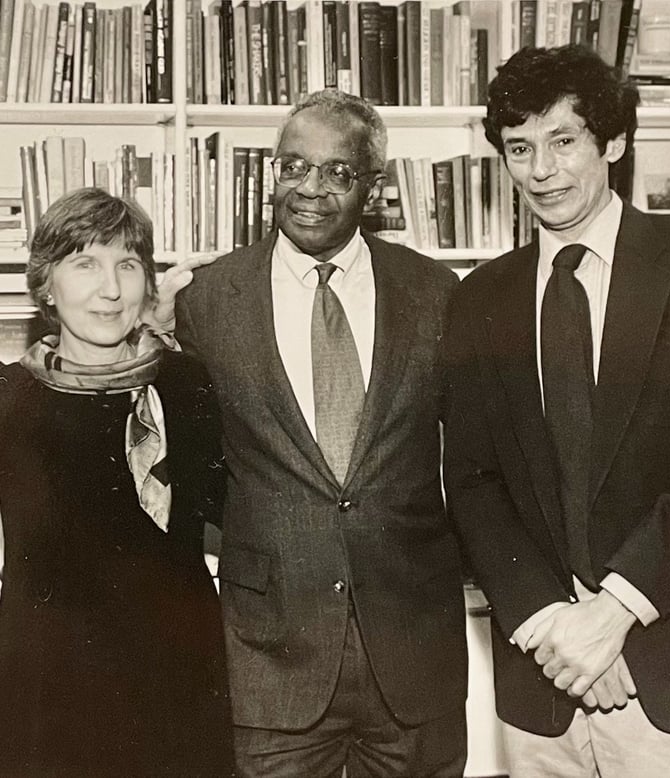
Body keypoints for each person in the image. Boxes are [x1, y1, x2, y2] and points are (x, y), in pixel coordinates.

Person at [443, 44, 670, 777]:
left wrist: (612, 613)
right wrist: (555, 628)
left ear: (613, 142)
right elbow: (472, 481)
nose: (541, 170)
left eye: (564, 141)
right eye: (520, 148)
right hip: (544, 684)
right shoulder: (478, 298)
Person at [170, 88, 468, 777]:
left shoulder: (437, 293)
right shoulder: (207, 301)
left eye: (337, 172)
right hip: (270, 657)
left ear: (374, 187)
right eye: (293, 166)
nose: (309, 188)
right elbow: (195, 472)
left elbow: (476, 458)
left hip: (413, 655)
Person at [0, 188, 235, 777]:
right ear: (45, 284)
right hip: (49, 696)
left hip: (176, 686)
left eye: (127, 265)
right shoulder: (9, 399)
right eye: (85, 263)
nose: (111, 289)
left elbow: (232, 508)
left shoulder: (185, 383)